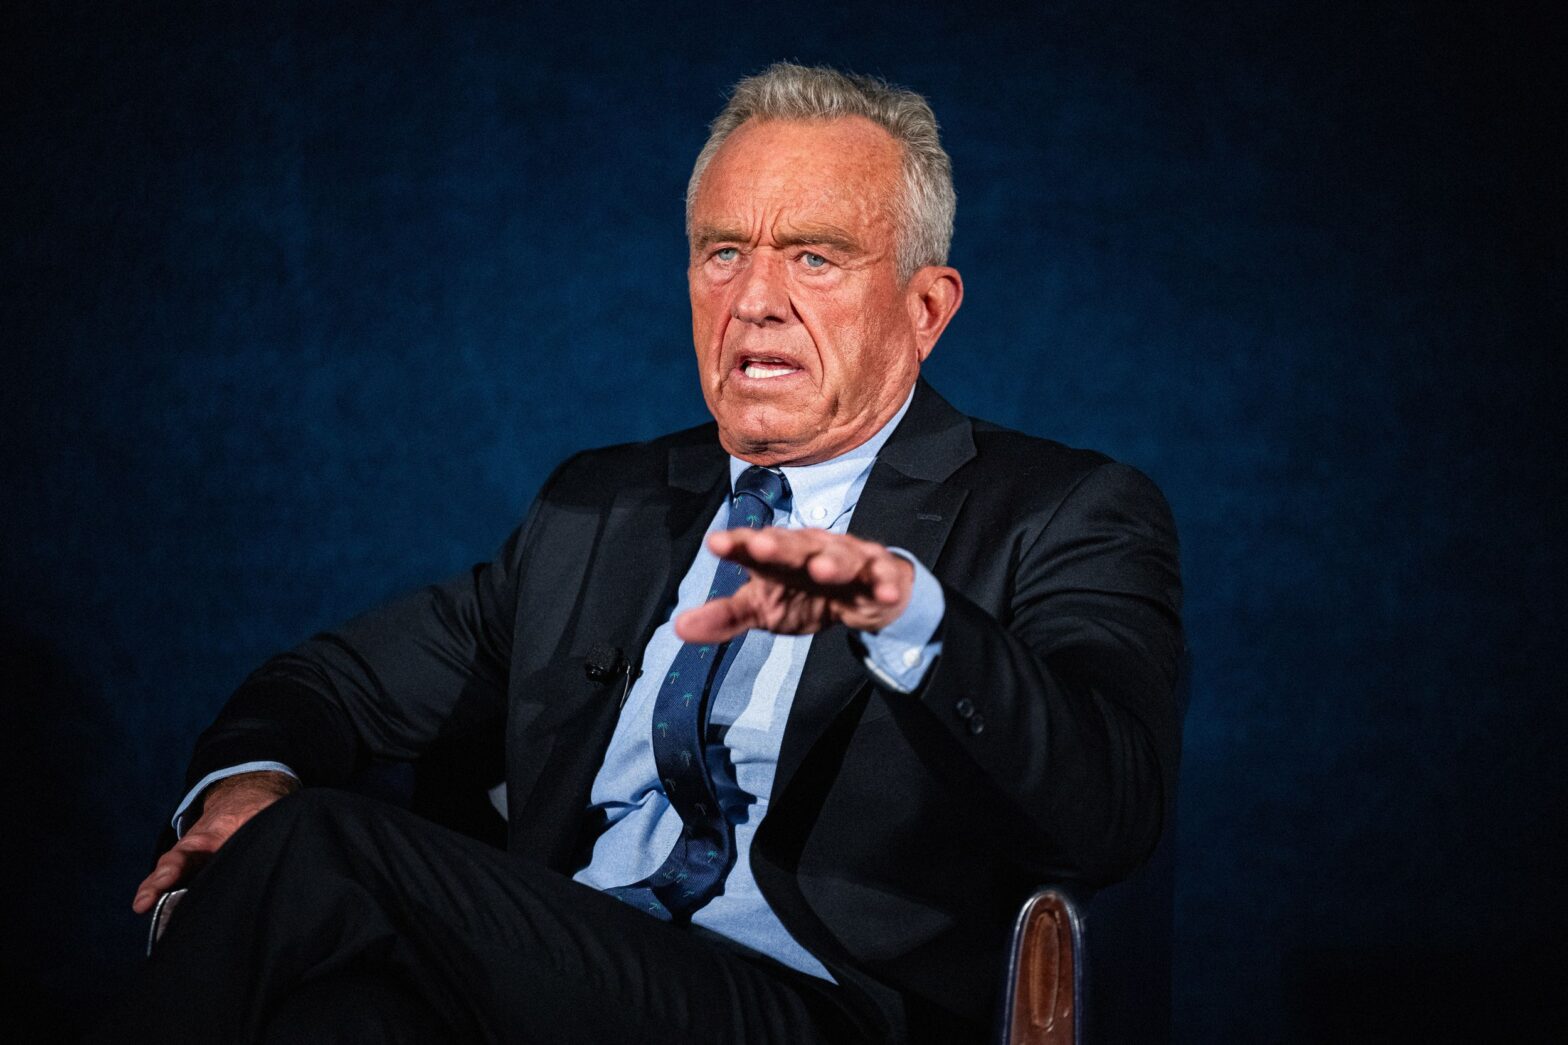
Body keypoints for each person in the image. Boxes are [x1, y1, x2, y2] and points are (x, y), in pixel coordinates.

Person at [101, 62, 1183, 1044]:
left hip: (818, 1005)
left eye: (815, 257)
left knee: (320, 849)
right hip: (568, 966)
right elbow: (331, 683)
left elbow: (1111, 806)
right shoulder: (596, 507)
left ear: (924, 308)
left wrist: (909, 614)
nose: (754, 301)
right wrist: (245, 783)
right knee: (336, 1015)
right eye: (724, 252)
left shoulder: (1063, 510)